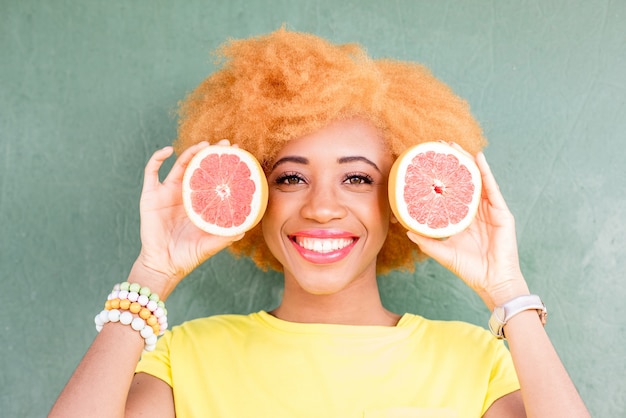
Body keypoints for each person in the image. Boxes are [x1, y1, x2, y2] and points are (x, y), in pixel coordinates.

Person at [50, 28, 590, 417]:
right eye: (290, 178)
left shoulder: (474, 360)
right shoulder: (187, 357)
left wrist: (508, 291)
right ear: (256, 195)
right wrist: (150, 273)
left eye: (356, 179)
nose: (321, 207)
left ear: (396, 199)